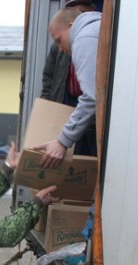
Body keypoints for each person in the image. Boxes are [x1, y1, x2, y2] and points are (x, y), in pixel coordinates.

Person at [37, 7, 102, 168]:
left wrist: (62, 142)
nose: (59, 48)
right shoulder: (96, 28)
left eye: (59, 40)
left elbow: (91, 97)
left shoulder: (84, 38)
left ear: (72, 25)